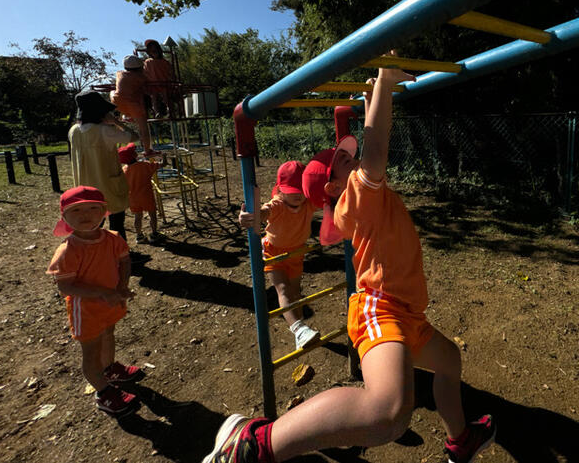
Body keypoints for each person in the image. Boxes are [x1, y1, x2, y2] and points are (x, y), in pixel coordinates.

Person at [204, 60, 496, 463]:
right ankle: (255, 442)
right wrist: (386, 85)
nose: (351, 157)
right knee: (391, 413)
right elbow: (376, 148)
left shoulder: (361, 198)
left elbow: (370, 148)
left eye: (349, 155)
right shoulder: (356, 196)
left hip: (406, 310)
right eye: (342, 160)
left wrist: (372, 96)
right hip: (382, 308)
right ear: (332, 186)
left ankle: (460, 439)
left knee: (449, 360)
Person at [47, 186, 142, 416]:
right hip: (86, 310)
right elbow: (65, 286)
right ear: (64, 217)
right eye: (76, 210)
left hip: (110, 302)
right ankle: (103, 392)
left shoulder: (113, 239)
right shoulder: (68, 251)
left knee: (109, 334)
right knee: (91, 351)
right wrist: (103, 293)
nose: (85, 215)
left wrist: (122, 286)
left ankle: (110, 369)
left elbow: (125, 261)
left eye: (93, 208)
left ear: (104, 211)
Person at [239, 161, 320, 350]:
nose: (298, 194)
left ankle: (302, 329)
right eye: (292, 190)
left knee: (295, 291)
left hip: (297, 252)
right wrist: (249, 216)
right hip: (274, 252)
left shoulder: (308, 204)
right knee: (283, 289)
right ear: (280, 190)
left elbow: (328, 199)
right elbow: (263, 212)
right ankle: (299, 329)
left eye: (301, 190)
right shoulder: (278, 205)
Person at [69, 91, 137, 242]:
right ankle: (119, 251)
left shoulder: (73, 131)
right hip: (107, 185)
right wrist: (116, 122)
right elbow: (134, 136)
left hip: (85, 188)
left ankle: (94, 251)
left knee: (92, 224)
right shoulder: (105, 131)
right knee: (116, 223)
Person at [118, 142, 164, 245]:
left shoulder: (124, 170)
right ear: (134, 155)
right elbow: (162, 164)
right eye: (134, 151)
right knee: (152, 214)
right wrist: (162, 156)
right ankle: (154, 234)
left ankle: (139, 236)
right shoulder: (144, 165)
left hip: (133, 198)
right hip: (146, 195)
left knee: (137, 216)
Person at [110, 55, 156, 156]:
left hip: (117, 101)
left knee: (112, 92)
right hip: (133, 104)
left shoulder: (120, 74)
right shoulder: (140, 77)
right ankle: (147, 150)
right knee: (144, 128)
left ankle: (126, 115)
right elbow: (149, 87)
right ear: (140, 68)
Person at [143, 39, 175, 118]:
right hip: (154, 84)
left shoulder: (164, 62)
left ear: (159, 50)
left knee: (166, 97)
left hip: (164, 83)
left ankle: (170, 111)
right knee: (154, 98)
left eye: (155, 50)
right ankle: (157, 112)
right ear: (149, 52)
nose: (154, 52)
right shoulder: (148, 62)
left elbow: (170, 72)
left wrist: (171, 80)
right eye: (152, 51)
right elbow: (145, 73)